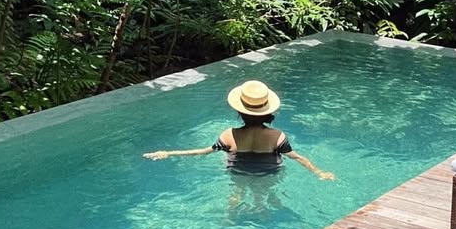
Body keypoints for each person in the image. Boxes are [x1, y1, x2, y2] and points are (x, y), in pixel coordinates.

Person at [143, 79, 334, 180]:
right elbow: (298, 158)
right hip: (268, 174)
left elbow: (203, 152)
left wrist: (168, 152)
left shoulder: (229, 135)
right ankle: (262, 211)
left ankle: (229, 217)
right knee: (264, 197)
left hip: (238, 172)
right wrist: (320, 172)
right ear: (267, 112)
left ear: (240, 112)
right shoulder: (277, 136)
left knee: (236, 195)